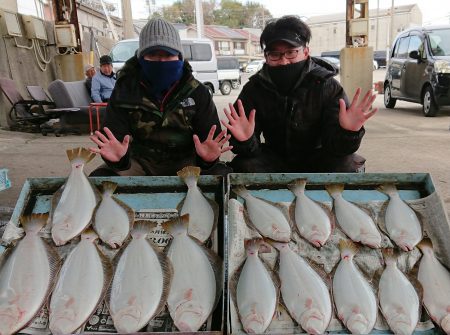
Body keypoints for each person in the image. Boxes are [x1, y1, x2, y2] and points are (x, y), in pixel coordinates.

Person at [221, 15, 377, 173]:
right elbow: (246, 148)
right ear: (266, 57)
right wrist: (246, 141)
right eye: (275, 55)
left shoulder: (327, 87)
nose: (283, 61)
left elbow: (338, 149)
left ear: (306, 52)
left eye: (291, 53)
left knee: (347, 163)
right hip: (274, 159)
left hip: (316, 159)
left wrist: (349, 132)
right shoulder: (254, 89)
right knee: (243, 165)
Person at [89, 18, 231, 177]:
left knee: (223, 179)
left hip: (187, 163)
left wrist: (207, 160)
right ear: (141, 58)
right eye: (153, 55)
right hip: (139, 162)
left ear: (179, 57)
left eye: (168, 55)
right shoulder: (125, 91)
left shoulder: (198, 92)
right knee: (100, 181)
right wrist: (118, 160)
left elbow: (210, 143)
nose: (162, 61)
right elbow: (113, 142)